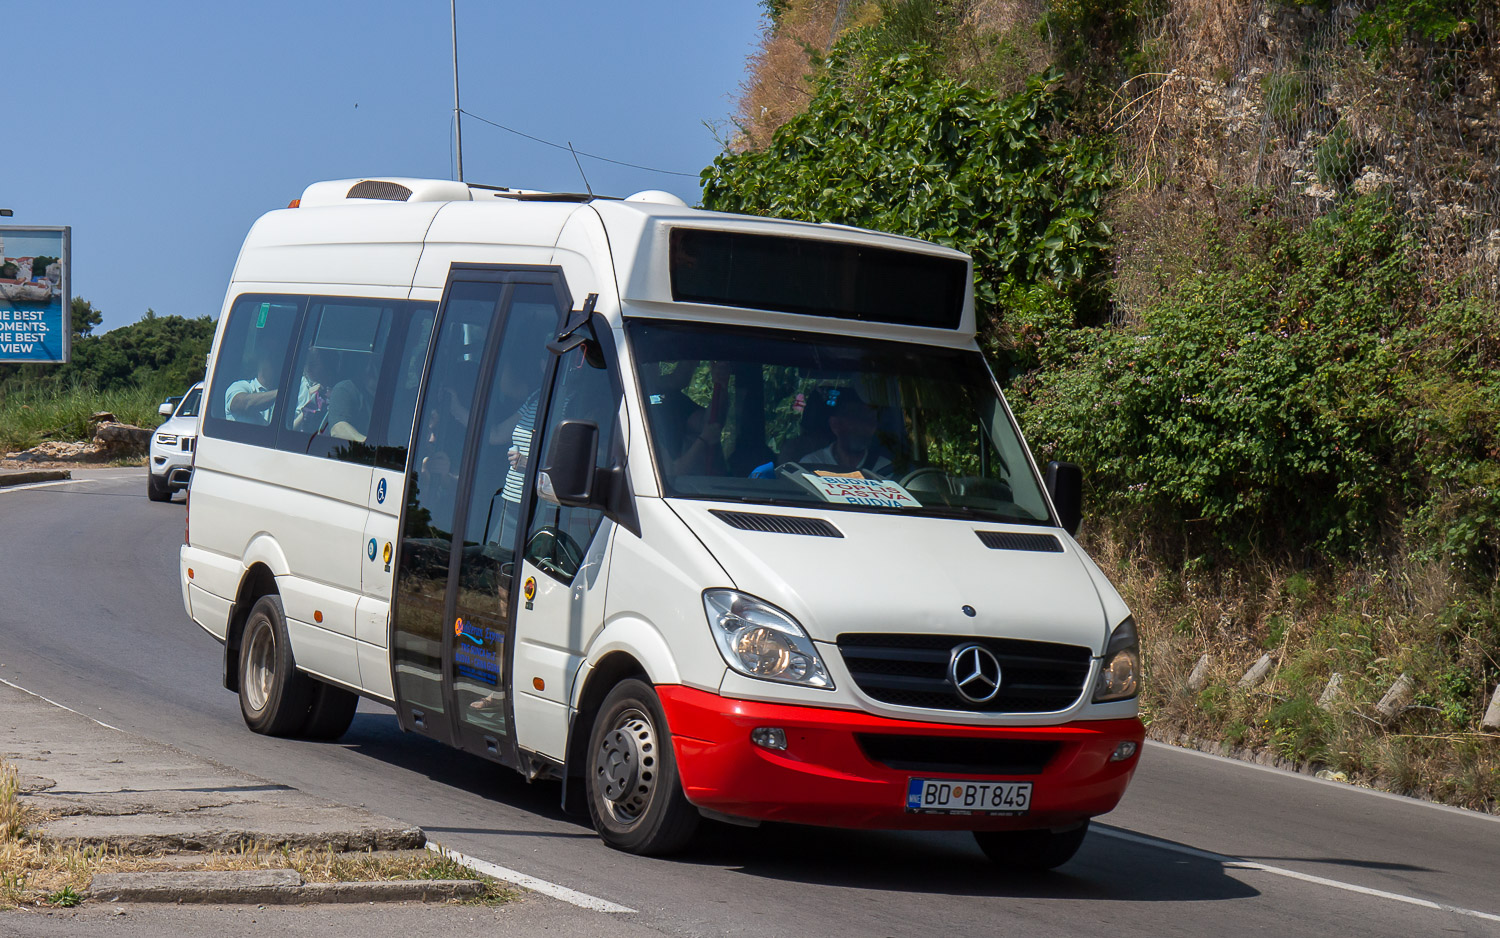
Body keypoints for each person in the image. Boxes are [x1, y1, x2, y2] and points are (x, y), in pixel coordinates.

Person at [800, 389, 893, 475]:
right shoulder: (811, 464)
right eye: (857, 418)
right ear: (835, 424)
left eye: (870, 420)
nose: (864, 426)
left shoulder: (886, 469)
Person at [224, 355, 281, 424]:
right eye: (272, 364)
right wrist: (280, 393)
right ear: (262, 367)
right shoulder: (240, 386)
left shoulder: (279, 399)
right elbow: (245, 403)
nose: (277, 369)